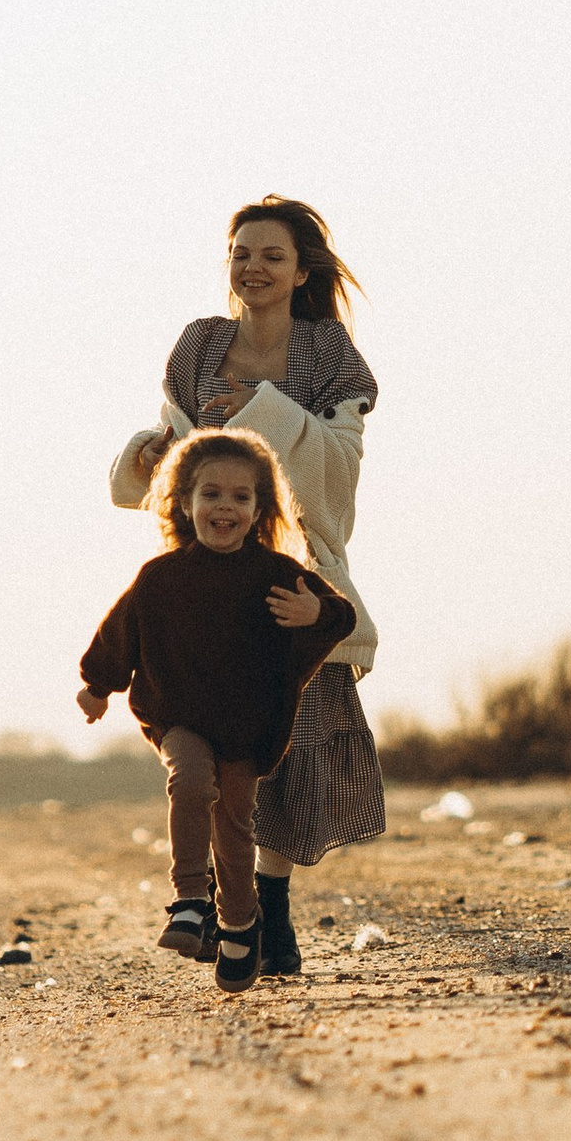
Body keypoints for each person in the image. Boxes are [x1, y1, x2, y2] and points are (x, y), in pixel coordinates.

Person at [110, 196, 385, 977]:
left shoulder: (329, 355)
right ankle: (232, 912)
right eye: (240, 252)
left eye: (271, 255)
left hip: (294, 571)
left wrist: (261, 414)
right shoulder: (200, 347)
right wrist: (151, 456)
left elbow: (339, 468)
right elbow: (182, 457)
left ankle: (273, 903)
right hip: (211, 584)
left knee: (284, 753)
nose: (252, 268)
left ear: (302, 272)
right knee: (217, 745)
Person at [78, 428, 356, 994]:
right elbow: (120, 633)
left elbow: (341, 617)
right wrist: (97, 685)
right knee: (189, 779)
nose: (224, 507)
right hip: (178, 713)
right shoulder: (161, 577)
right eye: (211, 494)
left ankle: (238, 924)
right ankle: (188, 901)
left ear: (259, 510)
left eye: (239, 497)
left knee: (234, 824)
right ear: (183, 501)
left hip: (249, 727)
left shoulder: (275, 574)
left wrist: (313, 615)